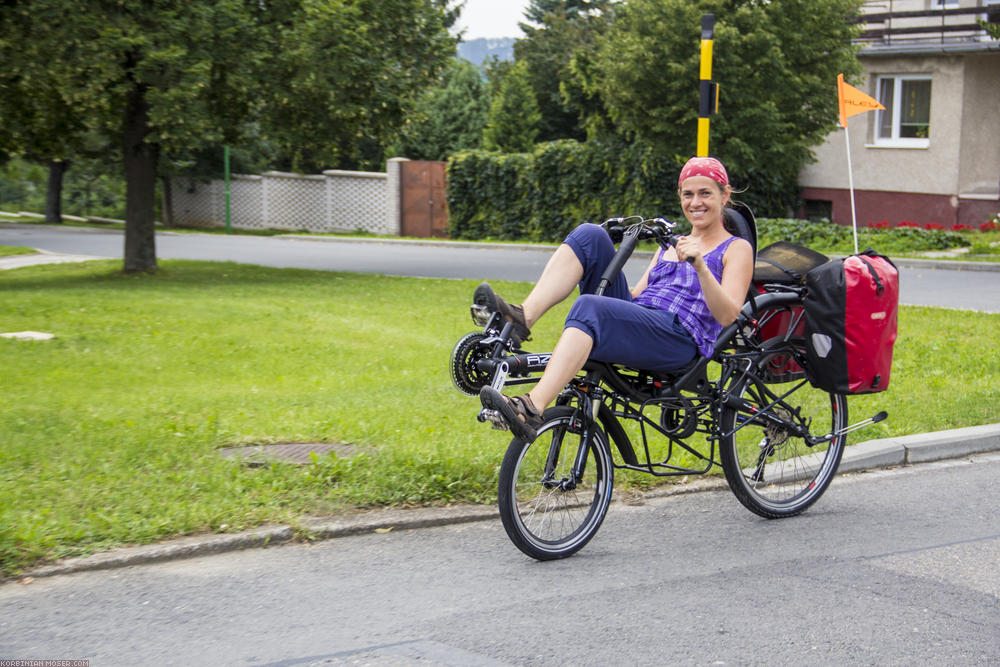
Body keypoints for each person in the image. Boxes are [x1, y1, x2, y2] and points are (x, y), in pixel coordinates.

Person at [477, 156, 754, 442]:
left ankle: (532, 406)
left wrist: (700, 266)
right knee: (590, 235)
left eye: (705, 193)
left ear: (725, 195)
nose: (696, 202)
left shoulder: (735, 248)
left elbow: (728, 315)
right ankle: (523, 318)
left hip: (679, 339)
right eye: (688, 194)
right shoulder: (670, 246)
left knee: (589, 306)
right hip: (646, 321)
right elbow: (636, 297)